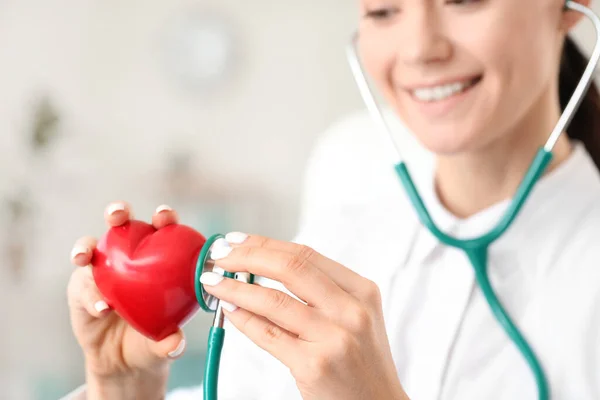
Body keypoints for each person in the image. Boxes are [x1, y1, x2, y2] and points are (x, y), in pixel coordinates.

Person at [62, 0, 600, 399]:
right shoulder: (331, 246)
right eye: (385, 10)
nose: (420, 49)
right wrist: (121, 388)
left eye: (462, 0)